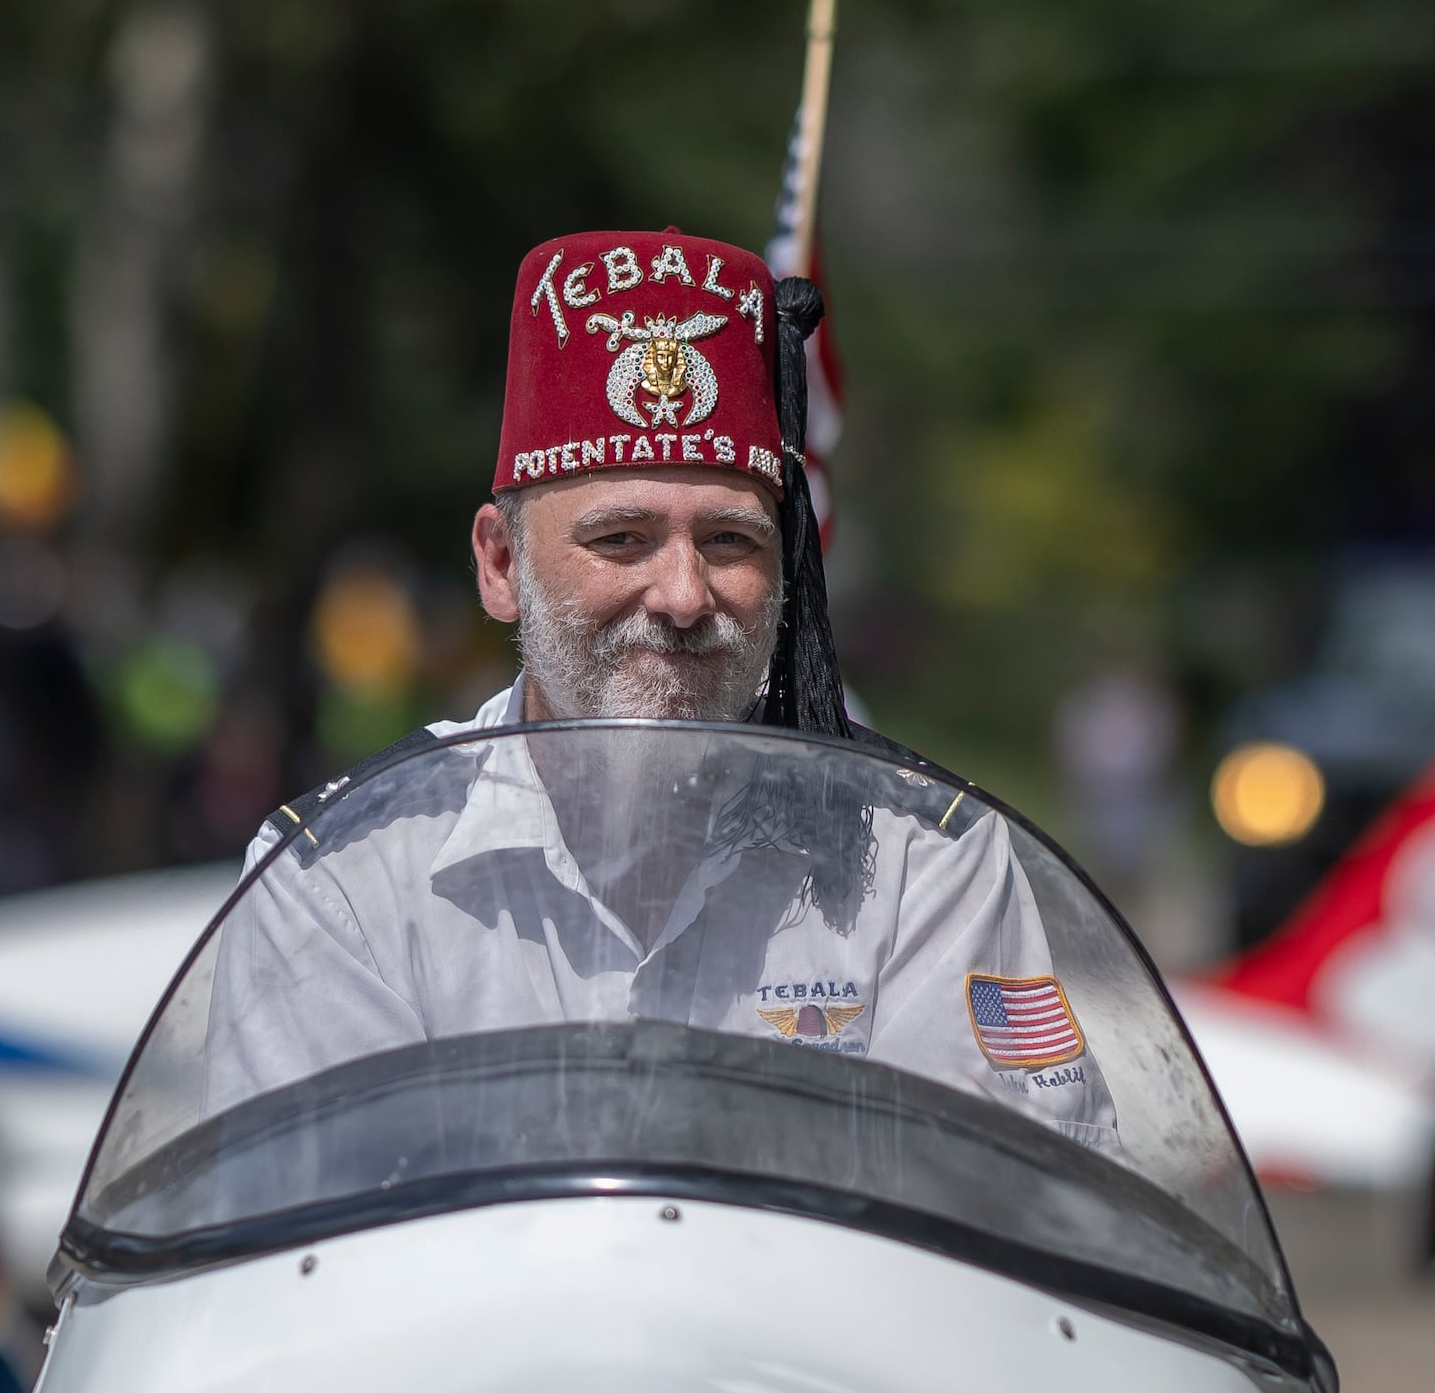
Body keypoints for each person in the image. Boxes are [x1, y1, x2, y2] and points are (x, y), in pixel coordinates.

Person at [204, 229, 1113, 1148]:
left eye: (730, 541)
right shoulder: (340, 883)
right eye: (621, 539)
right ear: (500, 563)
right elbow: (303, 1262)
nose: (683, 597)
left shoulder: (927, 866)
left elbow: (1020, 1230)